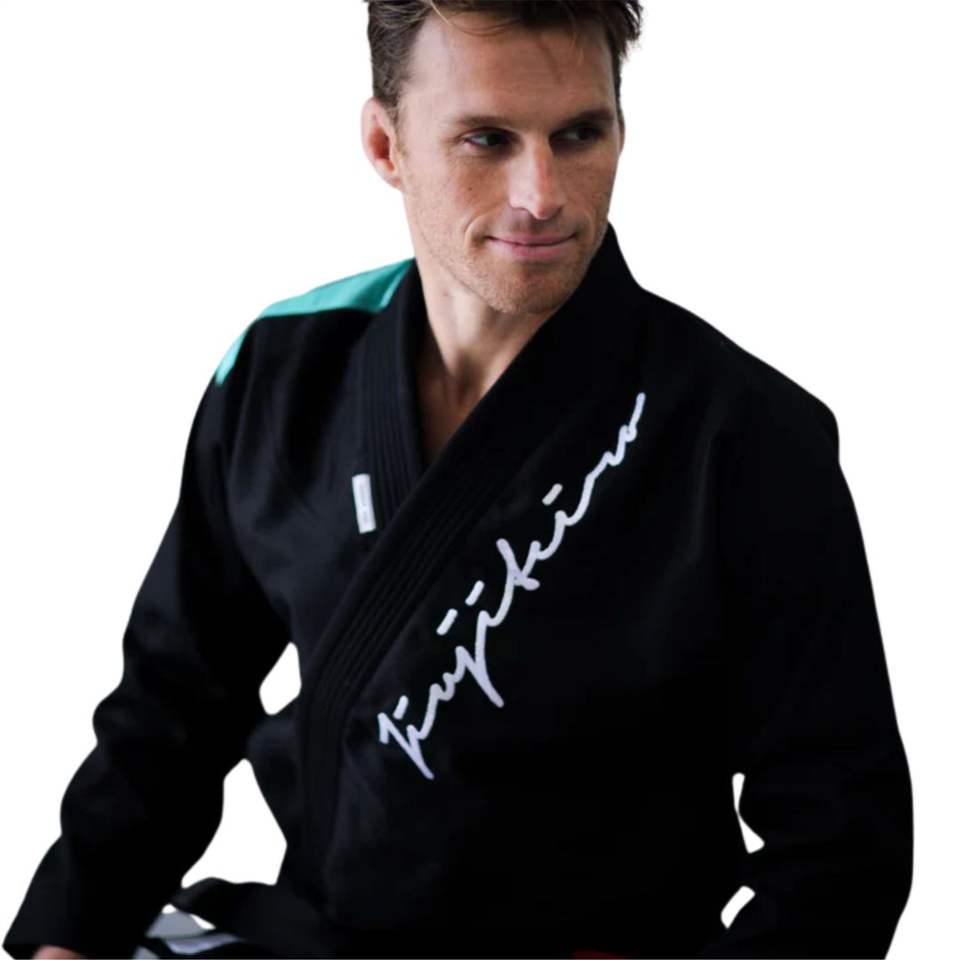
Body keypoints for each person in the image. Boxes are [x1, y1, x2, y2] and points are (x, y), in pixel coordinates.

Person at [7, 1, 913, 958]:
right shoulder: (283, 372)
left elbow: (842, 843)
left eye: (579, 134)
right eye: (487, 139)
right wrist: (73, 933)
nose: (541, 193)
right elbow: (172, 710)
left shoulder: (744, 433)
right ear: (385, 145)